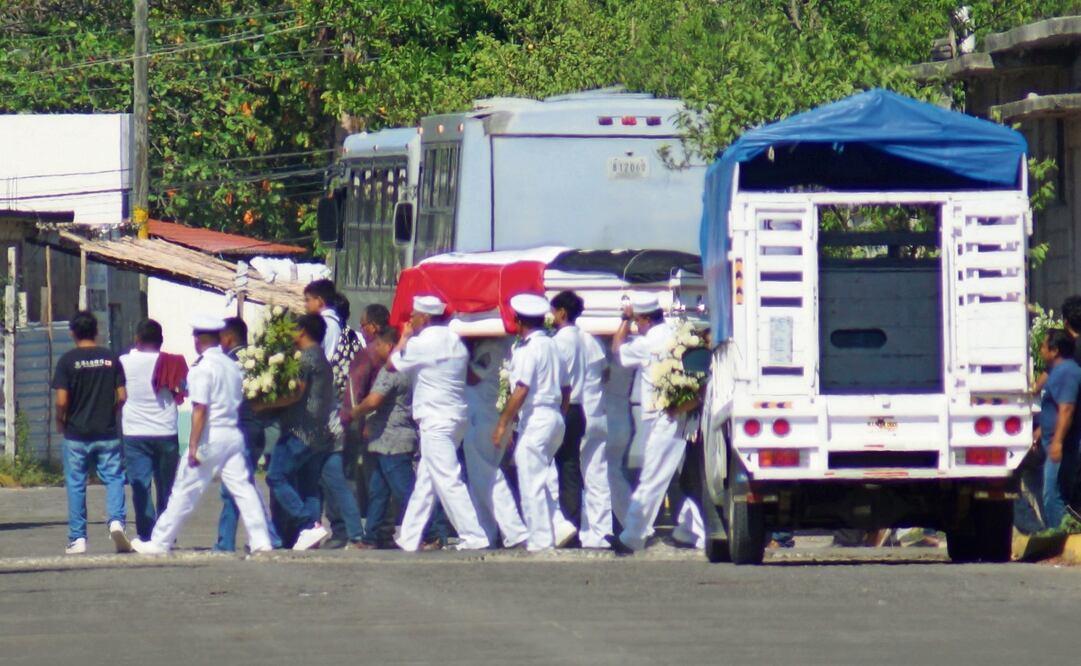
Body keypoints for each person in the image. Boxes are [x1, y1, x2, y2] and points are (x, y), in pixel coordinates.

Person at [130, 316, 272, 555]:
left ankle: (160, 541)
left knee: (185, 488)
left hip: (210, 437)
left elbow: (200, 409)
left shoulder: (202, 368)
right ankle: (261, 540)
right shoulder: (231, 365)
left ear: (198, 339)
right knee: (243, 488)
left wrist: (194, 444)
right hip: (232, 434)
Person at [388, 295, 490, 552]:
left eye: (413, 315)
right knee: (427, 480)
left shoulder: (422, 343)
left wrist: (404, 338)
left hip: (435, 419)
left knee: (447, 478)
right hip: (456, 417)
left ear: (424, 317)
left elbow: (392, 364)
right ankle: (409, 537)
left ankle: (473, 535)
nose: (410, 319)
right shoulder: (455, 341)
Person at [610, 293, 705, 554]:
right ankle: (693, 530)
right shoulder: (678, 332)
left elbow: (618, 350)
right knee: (680, 477)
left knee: (652, 476)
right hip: (684, 413)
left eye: (637, 321)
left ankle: (632, 536)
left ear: (642, 319)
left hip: (664, 415)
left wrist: (623, 321)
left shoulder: (646, 341)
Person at [493, 293, 569, 552]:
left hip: (536, 416)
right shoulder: (553, 345)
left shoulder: (528, 348)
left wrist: (503, 423)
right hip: (554, 416)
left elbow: (521, 389)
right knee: (542, 478)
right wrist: (559, 414)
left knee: (531, 482)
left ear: (518, 321)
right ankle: (556, 527)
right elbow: (567, 388)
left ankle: (540, 540)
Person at [52, 311, 130, 555]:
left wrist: (60, 420)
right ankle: (116, 522)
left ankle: (78, 539)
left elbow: (62, 400)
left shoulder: (67, 361)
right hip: (106, 432)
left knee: (76, 485)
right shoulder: (110, 359)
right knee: (114, 478)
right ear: (96, 331)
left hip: (76, 433)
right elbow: (122, 396)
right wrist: (112, 414)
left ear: (72, 333)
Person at [258, 314, 335, 551]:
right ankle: (310, 534)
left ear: (301, 331)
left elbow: (296, 393)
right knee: (309, 485)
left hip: (299, 431)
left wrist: (264, 405)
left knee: (276, 476)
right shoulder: (321, 357)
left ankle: (307, 525)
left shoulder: (307, 359)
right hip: (318, 431)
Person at [551, 292, 614, 549]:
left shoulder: (558, 342)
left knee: (569, 472)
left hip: (574, 408)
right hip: (596, 411)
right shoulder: (589, 339)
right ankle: (602, 531)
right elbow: (606, 371)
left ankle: (572, 526)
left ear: (562, 312)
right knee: (596, 474)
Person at [214, 316, 281, 552]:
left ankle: (227, 543)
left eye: (220, 337)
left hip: (239, 428)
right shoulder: (257, 360)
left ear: (229, 337)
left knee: (234, 488)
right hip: (256, 428)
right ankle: (266, 537)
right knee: (243, 486)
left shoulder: (229, 363)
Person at [462, 336, 529, 548]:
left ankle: (515, 531)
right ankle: (486, 533)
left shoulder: (489, 348)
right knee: (478, 483)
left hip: (482, 419)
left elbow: (472, 377)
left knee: (488, 477)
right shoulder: (498, 346)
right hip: (484, 418)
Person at [119, 319, 182, 542]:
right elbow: (184, 389)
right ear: (161, 341)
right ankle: (166, 534)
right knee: (167, 487)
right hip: (166, 431)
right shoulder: (172, 362)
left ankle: (146, 535)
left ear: (137, 340)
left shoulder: (124, 362)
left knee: (140, 486)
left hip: (134, 432)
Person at [321, 293, 365, 549]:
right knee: (344, 474)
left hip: (335, 412)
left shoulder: (329, 335)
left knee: (333, 475)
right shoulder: (355, 338)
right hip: (353, 411)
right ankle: (348, 529)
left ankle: (344, 530)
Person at [550, 291, 586, 546]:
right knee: (570, 468)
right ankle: (573, 522)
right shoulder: (583, 338)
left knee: (554, 469)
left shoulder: (559, 341)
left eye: (554, 312)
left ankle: (563, 523)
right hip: (579, 407)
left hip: (565, 406)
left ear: (562, 312)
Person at [1036, 328, 1081, 530]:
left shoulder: (1067, 372)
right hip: (1054, 442)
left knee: (1053, 495)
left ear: (1054, 351)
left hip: (1063, 446)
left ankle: (1061, 534)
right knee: (1053, 492)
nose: (1040, 350)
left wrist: (1057, 443)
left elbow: (1066, 409)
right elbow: (1053, 407)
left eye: (1044, 346)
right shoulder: (1059, 372)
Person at [304, 278, 341, 361]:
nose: (305, 305)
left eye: (308, 300)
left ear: (319, 301)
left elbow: (328, 358)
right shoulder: (333, 322)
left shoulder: (327, 324)